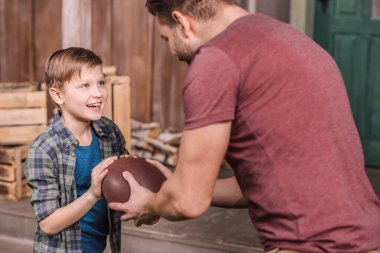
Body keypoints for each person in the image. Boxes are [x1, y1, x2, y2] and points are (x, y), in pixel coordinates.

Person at [109, 0, 380, 252]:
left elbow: (187, 202)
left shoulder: (216, 60)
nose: (171, 50)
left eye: (166, 38)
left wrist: (150, 203)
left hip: (311, 246)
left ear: (183, 22)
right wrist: (176, 182)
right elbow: (255, 186)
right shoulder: (297, 42)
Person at [25, 47, 129, 253]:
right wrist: (93, 194)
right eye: (85, 85)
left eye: (101, 82)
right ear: (58, 95)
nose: (98, 92)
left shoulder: (109, 131)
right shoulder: (43, 149)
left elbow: (123, 178)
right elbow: (48, 224)